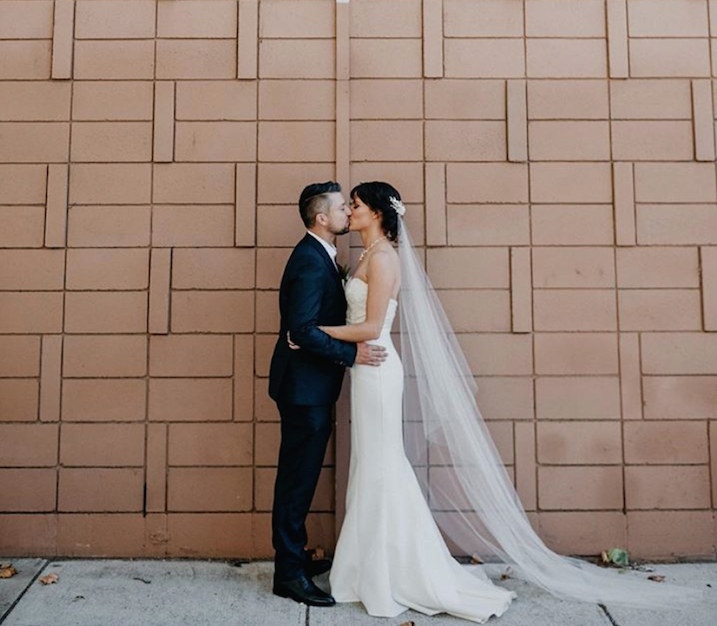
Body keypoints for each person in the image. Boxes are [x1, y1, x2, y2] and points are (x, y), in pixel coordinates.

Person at [314, 181, 709, 622]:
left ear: (379, 214)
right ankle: (366, 568)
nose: (351, 210)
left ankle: (398, 571)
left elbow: (370, 328)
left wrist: (314, 332)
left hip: (379, 371)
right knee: (371, 465)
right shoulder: (365, 255)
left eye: (358, 204)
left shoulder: (385, 258)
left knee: (384, 466)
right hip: (364, 373)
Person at [268, 181, 388, 608]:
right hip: (303, 390)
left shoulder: (324, 256)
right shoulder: (308, 261)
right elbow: (300, 330)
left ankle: (295, 556)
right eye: (341, 207)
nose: (346, 213)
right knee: (297, 481)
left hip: (313, 385)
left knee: (301, 476)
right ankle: (288, 574)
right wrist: (350, 353)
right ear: (322, 218)